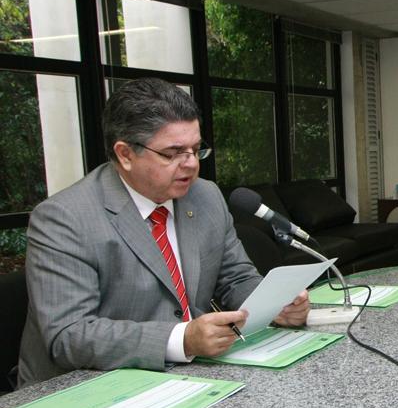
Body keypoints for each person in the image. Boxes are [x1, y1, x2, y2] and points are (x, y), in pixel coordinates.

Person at [18, 77, 309, 387]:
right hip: (84, 389)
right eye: (173, 153)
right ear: (126, 154)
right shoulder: (65, 218)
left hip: (189, 377)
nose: (191, 165)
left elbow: (235, 278)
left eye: (196, 150)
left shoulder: (205, 196)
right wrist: (181, 339)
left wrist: (275, 305)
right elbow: (69, 335)